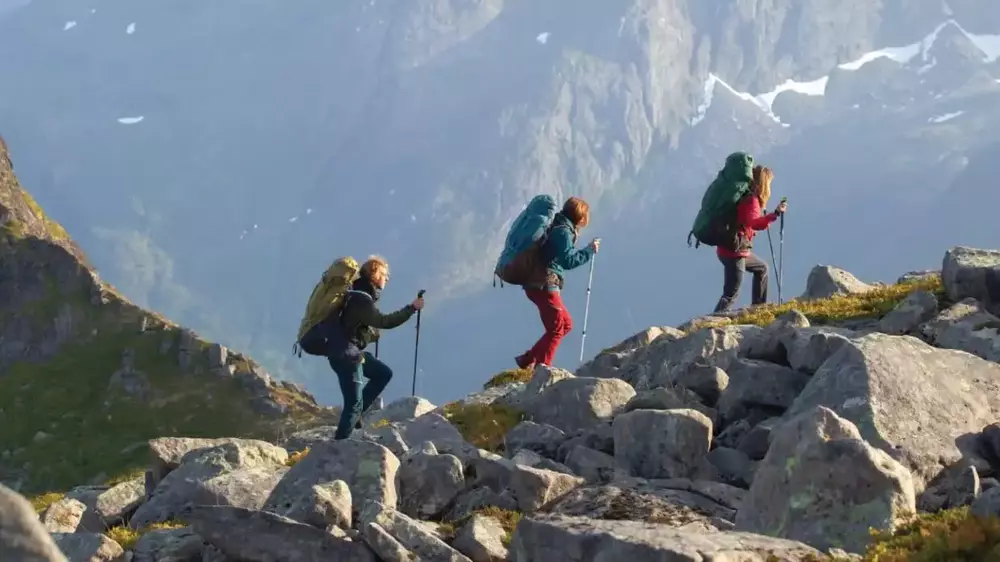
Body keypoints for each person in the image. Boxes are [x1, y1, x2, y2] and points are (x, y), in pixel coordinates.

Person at [326, 255, 424, 439]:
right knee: (353, 405)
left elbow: (351, 325)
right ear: (374, 274)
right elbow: (384, 321)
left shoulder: (355, 293)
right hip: (347, 357)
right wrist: (411, 308)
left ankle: (354, 421)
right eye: (384, 274)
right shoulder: (361, 298)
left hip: (347, 353)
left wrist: (368, 334)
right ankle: (337, 448)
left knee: (382, 373)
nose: (386, 278)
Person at [515, 196, 599, 369]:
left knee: (565, 324)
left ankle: (528, 359)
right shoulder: (563, 232)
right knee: (556, 329)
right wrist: (589, 251)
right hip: (544, 285)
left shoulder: (558, 225)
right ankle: (542, 368)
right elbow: (568, 260)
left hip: (538, 284)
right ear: (580, 217)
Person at [713, 165, 787, 313]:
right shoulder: (751, 200)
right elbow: (755, 223)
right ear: (764, 183)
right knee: (731, 293)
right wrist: (775, 214)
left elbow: (745, 221)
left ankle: (758, 309)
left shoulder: (743, 195)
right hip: (734, 253)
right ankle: (711, 322)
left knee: (762, 268)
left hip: (731, 249)